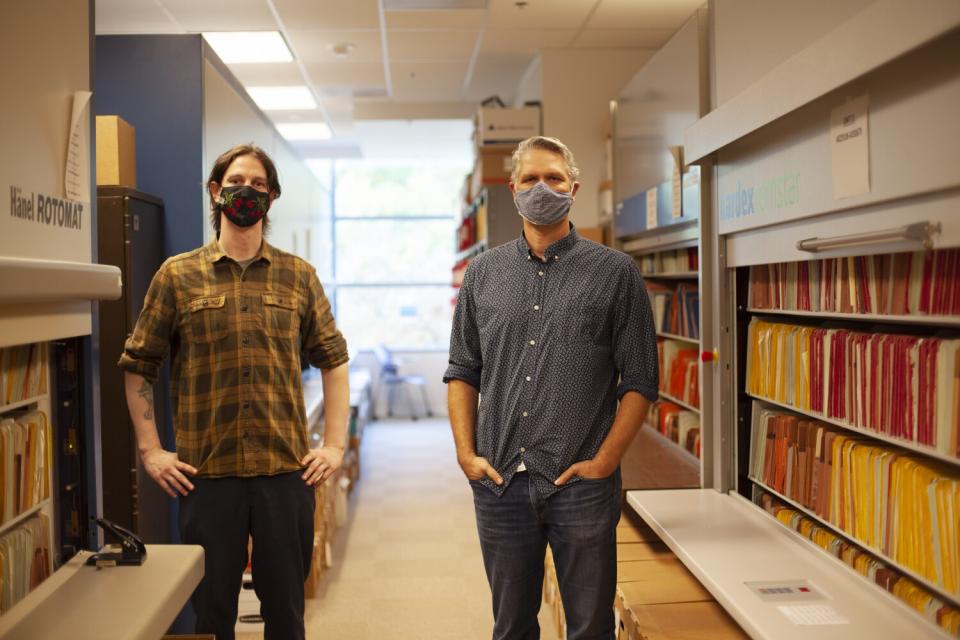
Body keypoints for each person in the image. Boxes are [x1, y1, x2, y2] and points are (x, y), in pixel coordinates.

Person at [118, 143, 349, 640]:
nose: (248, 191)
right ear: (216, 190)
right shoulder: (177, 276)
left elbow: (333, 359)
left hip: (285, 476)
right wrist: (152, 451)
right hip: (207, 477)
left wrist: (334, 444)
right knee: (212, 615)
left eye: (260, 184)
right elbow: (139, 364)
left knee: (287, 615)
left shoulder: (298, 276)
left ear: (271, 198)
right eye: (238, 180)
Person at [444, 136, 659, 639]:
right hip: (500, 479)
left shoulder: (615, 274)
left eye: (554, 179)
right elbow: (461, 370)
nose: (543, 188)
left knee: (589, 628)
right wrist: (465, 453)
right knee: (512, 626)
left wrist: (606, 461)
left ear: (574, 188)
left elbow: (642, 380)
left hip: (580, 482)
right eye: (530, 179)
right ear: (513, 190)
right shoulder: (482, 274)